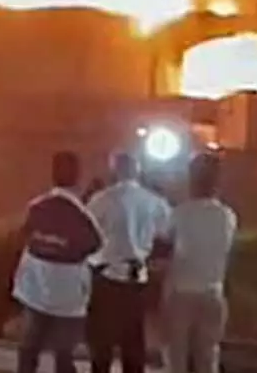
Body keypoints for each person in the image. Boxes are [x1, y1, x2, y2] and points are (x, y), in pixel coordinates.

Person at [12, 151, 104, 373]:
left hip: (35, 291)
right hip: (68, 296)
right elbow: (95, 245)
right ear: (77, 177)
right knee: (63, 355)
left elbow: (23, 236)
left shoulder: (36, 208)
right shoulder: (82, 215)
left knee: (28, 350)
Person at [85, 151, 172, 373]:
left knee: (102, 343)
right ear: (138, 170)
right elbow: (167, 236)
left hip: (106, 276)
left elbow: (88, 232)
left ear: (114, 170)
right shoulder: (154, 202)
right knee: (133, 342)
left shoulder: (101, 199)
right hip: (137, 278)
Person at [164, 153, 237, 373]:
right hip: (213, 291)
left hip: (181, 291)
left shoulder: (180, 214)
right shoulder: (227, 215)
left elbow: (165, 246)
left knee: (177, 355)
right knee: (208, 356)